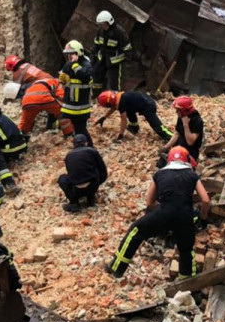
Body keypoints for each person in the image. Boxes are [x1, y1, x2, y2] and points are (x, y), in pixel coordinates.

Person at [107, 147, 210, 279]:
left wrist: (161, 215)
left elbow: (149, 202)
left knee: (135, 231)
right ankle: (187, 281)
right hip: (185, 216)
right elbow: (206, 200)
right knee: (186, 249)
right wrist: (202, 217)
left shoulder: (160, 174)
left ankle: (117, 268)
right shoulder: (192, 174)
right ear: (186, 160)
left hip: (164, 213)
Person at [94, 90, 174, 143]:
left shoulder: (121, 102)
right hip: (145, 100)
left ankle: (171, 138)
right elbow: (113, 107)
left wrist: (120, 136)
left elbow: (123, 120)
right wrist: (103, 118)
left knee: (156, 126)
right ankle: (134, 128)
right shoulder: (118, 96)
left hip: (148, 105)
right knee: (129, 111)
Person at [58, 134, 108, 213]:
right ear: (86, 143)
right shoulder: (93, 151)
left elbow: (71, 173)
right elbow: (104, 172)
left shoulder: (68, 156)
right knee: (96, 171)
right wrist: (97, 184)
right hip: (92, 186)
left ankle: (74, 202)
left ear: (74, 144)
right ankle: (90, 198)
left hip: (76, 190)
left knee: (62, 178)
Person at [58, 41, 95, 145]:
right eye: (68, 54)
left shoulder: (86, 64)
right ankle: (83, 147)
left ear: (78, 53)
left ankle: (89, 148)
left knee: (81, 130)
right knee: (78, 129)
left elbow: (84, 77)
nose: (69, 56)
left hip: (81, 107)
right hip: (71, 105)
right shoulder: (67, 64)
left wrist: (74, 65)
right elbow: (64, 82)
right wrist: (63, 79)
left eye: (71, 53)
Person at [91, 11, 132, 92]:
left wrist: (127, 62)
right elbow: (96, 45)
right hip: (102, 58)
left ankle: (115, 98)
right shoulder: (100, 31)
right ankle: (96, 95)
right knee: (96, 75)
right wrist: (92, 57)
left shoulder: (119, 32)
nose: (102, 26)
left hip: (114, 61)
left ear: (109, 22)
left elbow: (127, 48)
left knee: (114, 81)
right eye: (101, 24)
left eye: (103, 24)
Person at [160, 96, 204, 165]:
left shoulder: (197, 121)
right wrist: (166, 147)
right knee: (161, 164)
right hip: (179, 146)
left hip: (190, 150)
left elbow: (190, 142)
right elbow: (177, 133)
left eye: (178, 110)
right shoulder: (181, 116)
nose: (176, 112)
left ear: (184, 111)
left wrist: (185, 125)